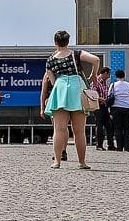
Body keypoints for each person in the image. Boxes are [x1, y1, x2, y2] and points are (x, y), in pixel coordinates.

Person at [40, 29, 99, 169]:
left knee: (59, 129)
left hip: (60, 89)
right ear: (68, 41)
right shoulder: (76, 54)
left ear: (55, 42)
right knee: (79, 131)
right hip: (76, 87)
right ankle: (82, 162)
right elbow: (96, 59)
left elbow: (52, 79)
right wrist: (94, 74)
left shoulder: (50, 60)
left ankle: (57, 161)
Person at [108, 69, 129, 153]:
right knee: (127, 128)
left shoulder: (113, 85)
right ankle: (128, 147)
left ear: (116, 76)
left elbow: (109, 95)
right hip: (128, 107)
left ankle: (119, 146)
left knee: (118, 128)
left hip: (116, 108)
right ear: (124, 76)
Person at [91, 67, 113, 151]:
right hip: (98, 106)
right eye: (108, 74)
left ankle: (110, 145)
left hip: (104, 106)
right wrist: (102, 99)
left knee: (109, 126)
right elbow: (93, 94)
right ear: (105, 73)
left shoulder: (104, 83)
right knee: (99, 126)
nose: (109, 76)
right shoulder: (96, 81)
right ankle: (99, 145)